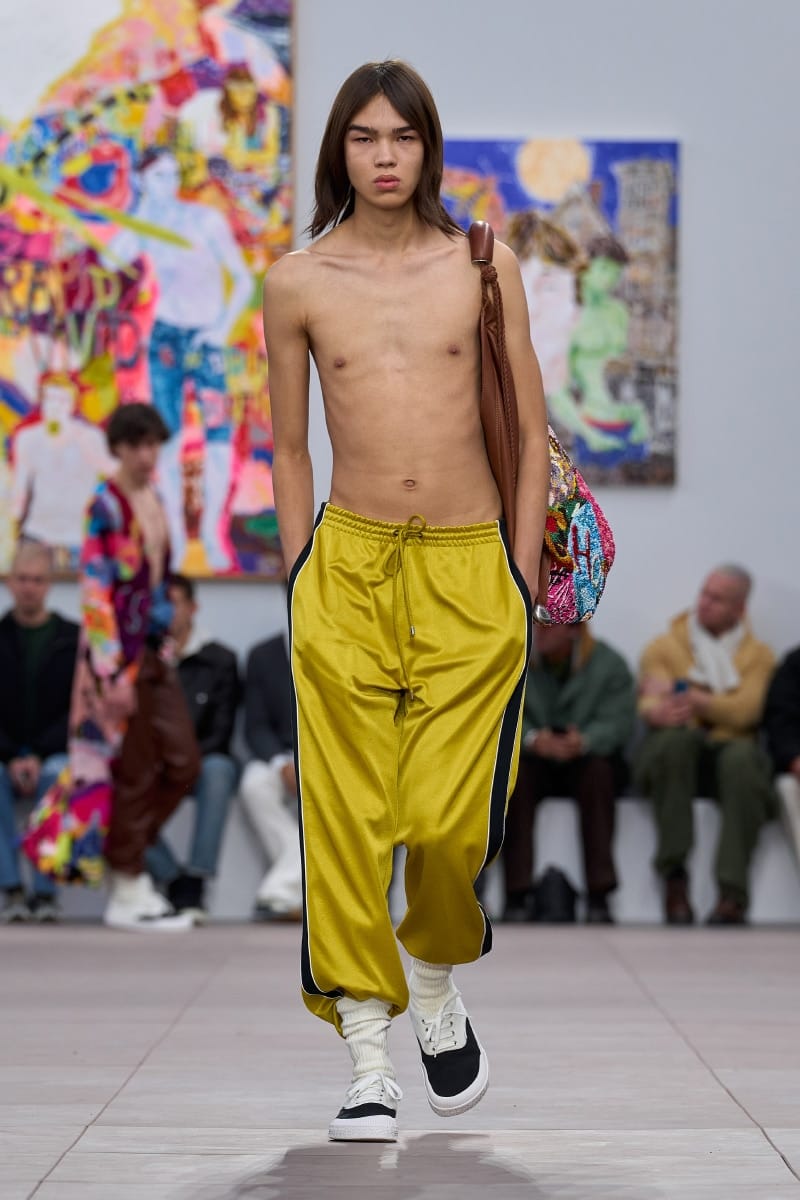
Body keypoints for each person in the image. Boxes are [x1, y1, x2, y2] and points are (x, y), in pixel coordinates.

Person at [262, 60, 549, 1141]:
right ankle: (368, 1055)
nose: (384, 157)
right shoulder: (296, 282)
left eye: (404, 137)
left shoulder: (482, 263)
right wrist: (302, 574)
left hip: (473, 569)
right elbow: (289, 447)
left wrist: (519, 576)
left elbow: (529, 435)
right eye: (364, 138)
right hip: (345, 568)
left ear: (428, 147)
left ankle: (432, 971)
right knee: (343, 816)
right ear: (337, 150)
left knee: (445, 816)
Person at [77, 403, 201, 930]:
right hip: (120, 659)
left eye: (154, 445)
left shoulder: (156, 497)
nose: (148, 455)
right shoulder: (105, 504)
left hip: (154, 650)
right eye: (138, 445)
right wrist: (110, 674)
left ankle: (125, 862)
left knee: (183, 763)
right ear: (120, 448)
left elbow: (159, 579)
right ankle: (128, 886)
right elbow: (95, 591)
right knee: (135, 770)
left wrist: (169, 636)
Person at [106, 149, 252, 572]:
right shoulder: (146, 225)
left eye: (173, 175)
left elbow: (242, 279)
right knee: (165, 443)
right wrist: (137, 214)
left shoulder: (203, 220)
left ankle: (211, 532)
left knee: (219, 440)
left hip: (207, 340)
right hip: (165, 339)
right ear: (142, 181)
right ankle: (173, 533)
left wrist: (221, 330)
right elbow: (110, 257)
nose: (169, 184)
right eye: (159, 176)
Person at [633, 565, 776, 926]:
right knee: (673, 744)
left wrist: (685, 694)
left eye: (717, 599)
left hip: (731, 756)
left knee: (743, 760)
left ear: (739, 610)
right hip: (678, 755)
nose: (705, 603)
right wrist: (661, 709)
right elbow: (651, 703)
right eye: (704, 593)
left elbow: (747, 712)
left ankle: (732, 893)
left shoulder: (759, 656)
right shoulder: (664, 646)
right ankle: (674, 879)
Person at [502, 623, 635, 925]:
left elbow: (619, 721)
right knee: (514, 776)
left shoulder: (609, 664)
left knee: (600, 774)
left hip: (584, 758)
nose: (539, 631)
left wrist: (585, 741)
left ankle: (599, 895)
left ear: (574, 629)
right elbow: (500, 710)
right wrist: (533, 739)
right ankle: (516, 894)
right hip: (535, 757)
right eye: (537, 624)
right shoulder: (514, 657)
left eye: (549, 626)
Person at [145, 573, 240, 922]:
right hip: (154, 765)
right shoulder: (142, 657)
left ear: (192, 607)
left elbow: (221, 730)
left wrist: (183, 761)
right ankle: (173, 879)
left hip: (198, 763)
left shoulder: (220, 659)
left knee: (219, 769)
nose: (165, 612)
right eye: (159, 603)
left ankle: (197, 878)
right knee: (113, 787)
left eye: (173, 603)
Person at [0, 542, 78, 921]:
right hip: (5, 753)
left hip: (54, 751)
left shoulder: (72, 638)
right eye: (22, 579)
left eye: (37, 580)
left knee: (57, 774)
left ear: (49, 585)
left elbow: (77, 710)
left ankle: (46, 893)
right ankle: (12, 889)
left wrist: (38, 753)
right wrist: (11, 755)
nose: (29, 587)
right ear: (9, 582)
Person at [10, 374, 115, 568]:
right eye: (50, 399)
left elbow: (112, 475)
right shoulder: (27, 438)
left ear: (73, 404)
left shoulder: (90, 437)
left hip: (78, 533)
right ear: (41, 402)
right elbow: (20, 489)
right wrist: (15, 528)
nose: (56, 406)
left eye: (62, 400)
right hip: (38, 531)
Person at [238, 631, 301, 922]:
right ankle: (292, 884)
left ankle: (279, 891)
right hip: (280, 754)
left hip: (327, 755)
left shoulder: (343, 644)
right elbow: (255, 726)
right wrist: (281, 763)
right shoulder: (263, 654)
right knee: (254, 784)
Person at [763, 646, 800, 868]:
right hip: (797, 769)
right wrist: (794, 758)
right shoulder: (795, 665)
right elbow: (780, 720)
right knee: (788, 787)